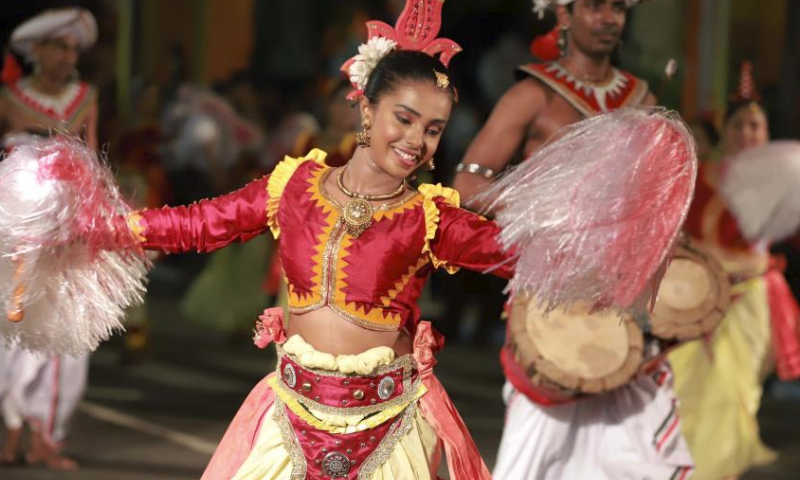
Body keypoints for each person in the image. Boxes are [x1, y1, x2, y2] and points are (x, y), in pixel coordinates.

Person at [126, 3, 506, 479]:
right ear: (367, 108)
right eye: (404, 119)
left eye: (433, 130)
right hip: (289, 419)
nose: (417, 141)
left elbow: (516, 251)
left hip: (390, 431)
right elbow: (200, 223)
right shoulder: (293, 188)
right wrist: (115, 228)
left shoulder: (431, 218)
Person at [453, 1, 693, 479]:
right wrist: (551, 210)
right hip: (549, 299)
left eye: (619, 9)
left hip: (624, 304)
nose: (609, 19)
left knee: (636, 455)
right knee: (539, 449)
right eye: (594, 7)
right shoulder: (533, 95)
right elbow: (467, 186)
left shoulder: (642, 102)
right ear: (563, 14)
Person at [668, 61, 800, 480]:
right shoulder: (701, 177)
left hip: (749, 301)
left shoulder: (783, 177)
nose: (747, 134)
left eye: (755, 126)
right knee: (685, 387)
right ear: (725, 132)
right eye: (739, 126)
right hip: (698, 297)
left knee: (735, 394)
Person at [0, 7, 98, 470]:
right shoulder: (8, 97)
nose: (66, 56)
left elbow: (94, 164)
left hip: (63, 232)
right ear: (35, 50)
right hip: (12, 232)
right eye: (58, 46)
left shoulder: (85, 98)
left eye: (73, 49)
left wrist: (91, 222)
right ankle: (10, 429)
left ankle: (45, 436)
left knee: (58, 325)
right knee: (8, 322)